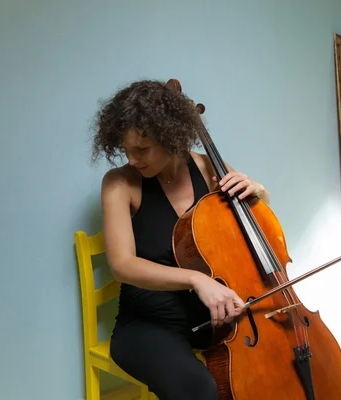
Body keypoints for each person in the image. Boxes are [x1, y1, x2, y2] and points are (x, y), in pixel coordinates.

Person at [90, 79, 271, 400]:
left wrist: (258, 192)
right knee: (199, 389)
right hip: (150, 324)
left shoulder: (208, 168)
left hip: (221, 321)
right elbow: (122, 264)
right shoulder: (119, 184)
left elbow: (255, 228)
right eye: (126, 149)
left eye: (142, 149)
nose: (132, 159)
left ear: (170, 137)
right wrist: (196, 279)